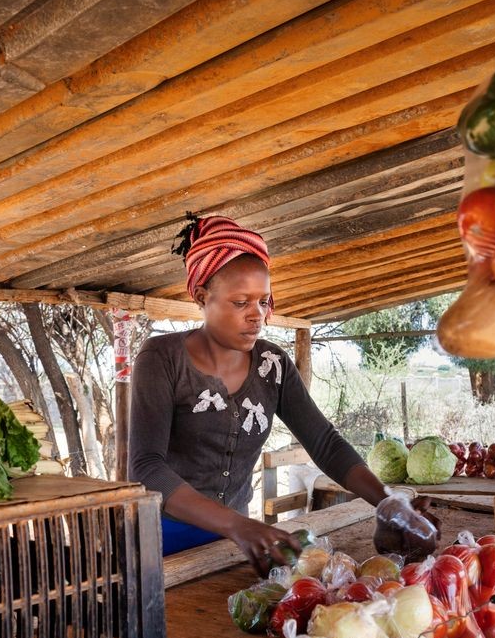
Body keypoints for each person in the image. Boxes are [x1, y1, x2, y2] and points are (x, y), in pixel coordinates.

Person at [128, 215, 399, 576]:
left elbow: (324, 443)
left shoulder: (273, 365)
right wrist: (239, 525)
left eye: (263, 302)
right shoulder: (162, 359)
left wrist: (387, 502)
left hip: (234, 546)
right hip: (161, 540)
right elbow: (148, 468)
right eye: (241, 302)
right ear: (201, 297)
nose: (257, 316)